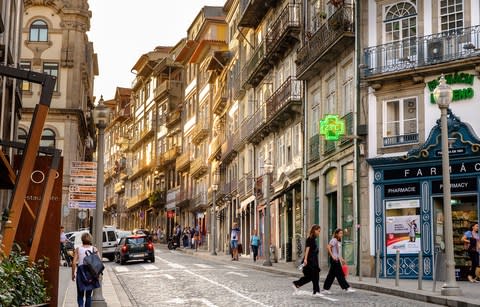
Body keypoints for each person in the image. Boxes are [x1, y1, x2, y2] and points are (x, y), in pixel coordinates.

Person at [323, 228, 355, 294]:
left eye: (342, 233)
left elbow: (338, 252)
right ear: (336, 234)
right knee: (340, 274)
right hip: (334, 260)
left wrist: (341, 259)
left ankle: (325, 289)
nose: (341, 234)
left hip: (337, 259)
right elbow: (328, 247)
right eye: (340, 233)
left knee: (331, 275)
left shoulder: (338, 241)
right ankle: (347, 287)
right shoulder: (334, 240)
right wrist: (332, 256)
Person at [292, 224, 322, 297]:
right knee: (312, 276)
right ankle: (297, 284)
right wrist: (305, 259)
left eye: (319, 231)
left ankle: (315, 291)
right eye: (318, 231)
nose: (319, 232)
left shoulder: (314, 239)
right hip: (310, 261)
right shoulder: (310, 239)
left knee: (314, 276)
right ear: (314, 230)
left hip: (314, 260)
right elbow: (307, 249)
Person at [72, 232, 99, 307]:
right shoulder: (94, 249)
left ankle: (81, 305)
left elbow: (74, 263)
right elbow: (99, 262)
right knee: (88, 295)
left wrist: (73, 274)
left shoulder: (78, 249)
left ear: (82, 240)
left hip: (81, 273)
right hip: (90, 273)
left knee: (80, 294)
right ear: (90, 239)